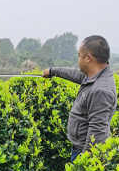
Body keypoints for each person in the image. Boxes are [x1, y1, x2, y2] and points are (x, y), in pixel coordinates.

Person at [43, 35, 117, 163]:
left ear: (88, 58)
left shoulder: (100, 90)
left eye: (79, 55)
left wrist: (83, 165)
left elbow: (97, 132)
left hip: (84, 153)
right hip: (78, 148)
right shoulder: (94, 76)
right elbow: (76, 74)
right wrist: (52, 71)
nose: (78, 59)